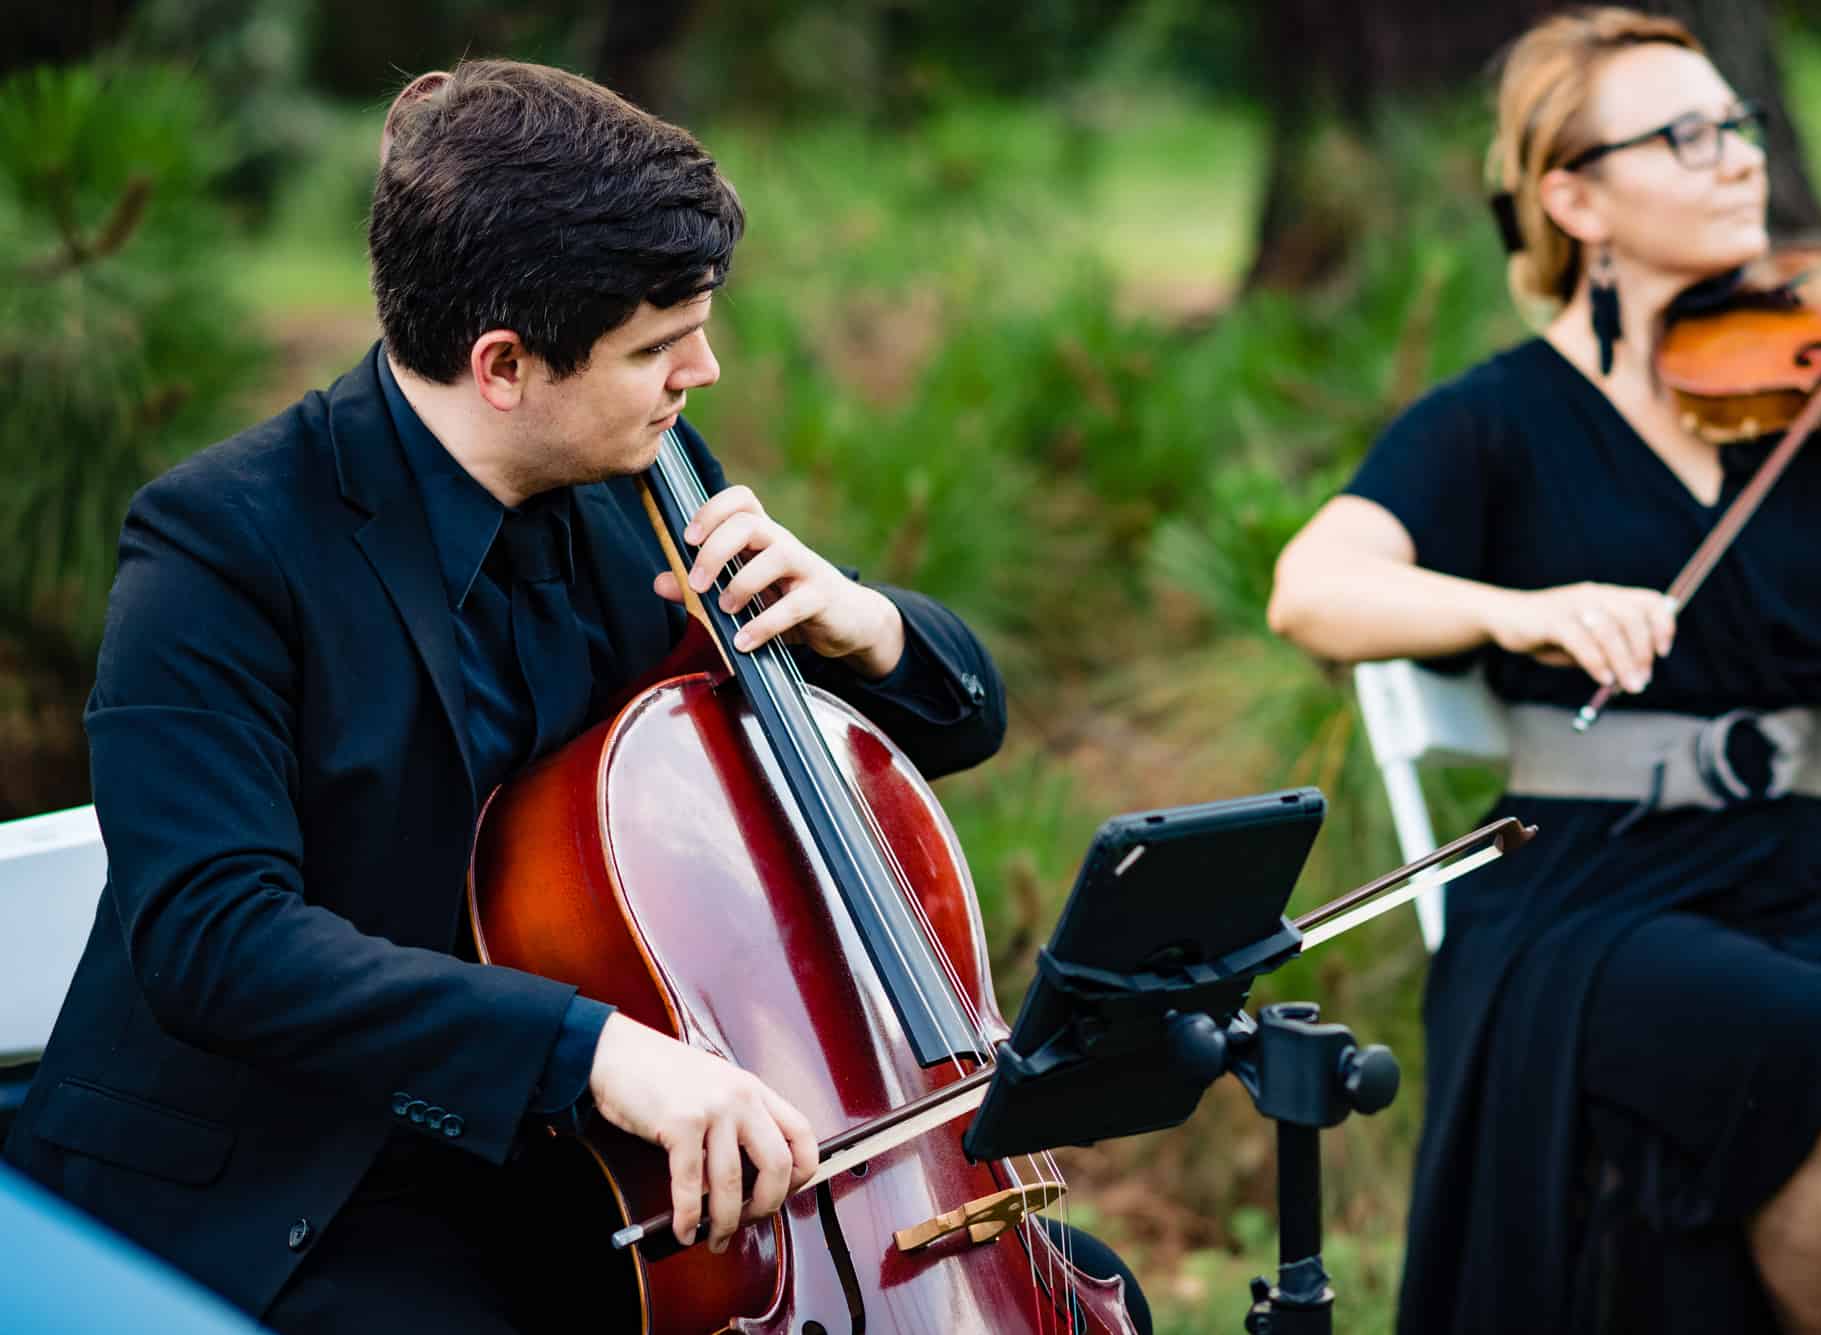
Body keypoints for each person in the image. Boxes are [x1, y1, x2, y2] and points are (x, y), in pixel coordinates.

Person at [4, 60, 1148, 1335]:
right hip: (293, 1184)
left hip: (564, 1170)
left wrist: (861, 621)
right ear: (503, 365)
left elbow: (945, 728)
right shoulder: (222, 548)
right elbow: (213, 939)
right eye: (658, 346)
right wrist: (597, 1051)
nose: (701, 372)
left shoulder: (635, 490)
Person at [1268, 10, 1821, 1334]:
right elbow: (1312, 588)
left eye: (1740, 126)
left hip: (1797, 862)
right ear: (1574, 197)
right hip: (1585, 890)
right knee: (1820, 1066)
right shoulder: (1493, 420)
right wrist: (1523, 608)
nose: (1737, 158)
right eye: (1686, 134)